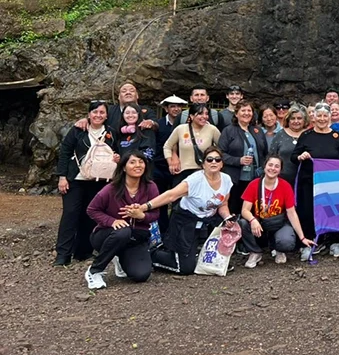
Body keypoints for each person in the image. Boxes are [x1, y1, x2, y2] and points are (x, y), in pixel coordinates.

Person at [140, 146, 233, 275]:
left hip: (208, 222)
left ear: (222, 163)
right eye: (209, 159)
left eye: (217, 160)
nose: (213, 162)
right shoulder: (194, 180)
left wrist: (227, 218)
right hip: (185, 221)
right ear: (203, 164)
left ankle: (194, 251)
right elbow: (171, 195)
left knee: (213, 262)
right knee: (185, 268)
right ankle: (152, 254)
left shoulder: (226, 179)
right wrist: (145, 207)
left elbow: (223, 204)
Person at [54, 100, 120, 266]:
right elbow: (65, 152)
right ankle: (62, 254)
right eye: (95, 112)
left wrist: (117, 159)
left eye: (102, 112)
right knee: (70, 214)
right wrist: (62, 176)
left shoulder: (111, 133)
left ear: (107, 115)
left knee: (90, 216)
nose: (98, 115)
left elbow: (118, 152)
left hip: (100, 180)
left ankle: (83, 251)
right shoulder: (78, 130)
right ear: (89, 114)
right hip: (76, 179)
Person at [84, 151, 160, 289]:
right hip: (107, 235)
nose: (138, 165)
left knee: (141, 275)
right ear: (124, 167)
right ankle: (94, 271)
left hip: (136, 238)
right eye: (132, 162)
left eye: (141, 162)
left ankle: (118, 257)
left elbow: (155, 214)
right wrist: (112, 221)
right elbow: (92, 209)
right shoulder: (112, 188)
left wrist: (141, 216)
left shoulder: (151, 187)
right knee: (123, 232)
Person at [292, 103, 339, 261]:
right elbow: (293, 156)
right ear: (314, 117)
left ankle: (333, 242)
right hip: (309, 181)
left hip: (332, 184)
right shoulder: (306, 135)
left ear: (330, 117)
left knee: (332, 211)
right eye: (319, 116)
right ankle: (308, 243)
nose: (322, 119)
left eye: (326, 116)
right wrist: (301, 156)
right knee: (308, 212)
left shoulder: (337, 136)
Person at [239, 156, 314, 267]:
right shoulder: (254, 184)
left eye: (277, 166)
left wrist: (302, 237)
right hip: (259, 224)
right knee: (243, 223)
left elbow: (292, 213)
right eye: (270, 165)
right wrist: (253, 219)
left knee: (286, 242)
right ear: (264, 166)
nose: (273, 168)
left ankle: (278, 249)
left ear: (280, 170)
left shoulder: (285, 186)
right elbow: (244, 210)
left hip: (278, 223)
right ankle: (255, 252)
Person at [218, 100, 269, 215]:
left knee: (254, 209)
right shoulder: (228, 131)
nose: (246, 113)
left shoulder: (258, 130)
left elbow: (265, 153)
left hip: (255, 178)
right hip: (236, 179)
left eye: (249, 110)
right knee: (234, 208)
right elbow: (220, 154)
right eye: (243, 110)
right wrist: (238, 160)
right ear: (236, 114)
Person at [163, 103, 222, 185]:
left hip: (204, 173)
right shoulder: (180, 129)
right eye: (200, 114)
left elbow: (222, 148)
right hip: (183, 173)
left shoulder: (212, 129)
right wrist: (171, 162)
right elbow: (167, 146)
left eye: (206, 114)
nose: (204, 116)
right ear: (191, 116)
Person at [153, 95, 185, 234]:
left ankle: (176, 232)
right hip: (160, 168)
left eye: (178, 106)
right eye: (172, 106)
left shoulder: (186, 125)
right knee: (160, 201)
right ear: (166, 108)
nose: (176, 109)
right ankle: (163, 232)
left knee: (179, 202)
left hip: (180, 169)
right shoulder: (158, 125)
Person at [73, 82, 158, 132]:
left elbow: (156, 124)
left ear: (137, 95)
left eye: (131, 91)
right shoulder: (109, 110)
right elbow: (97, 118)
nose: (128, 92)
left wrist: (150, 123)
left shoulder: (147, 111)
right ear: (118, 97)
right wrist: (86, 120)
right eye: (124, 91)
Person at [269, 104, 308, 186]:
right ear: (288, 120)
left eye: (299, 118)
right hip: (281, 181)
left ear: (304, 120)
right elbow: (271, 156)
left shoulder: (309, 135)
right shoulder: (280, 135)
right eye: (293, 118)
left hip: (305, 181)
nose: (296, 121)